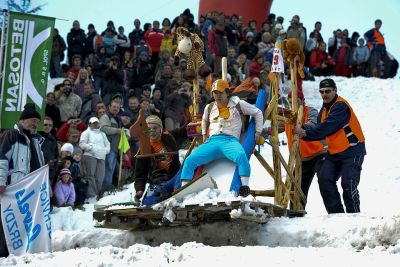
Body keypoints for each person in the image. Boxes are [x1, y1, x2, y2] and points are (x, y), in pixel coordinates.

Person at [293, 78, 366, 214]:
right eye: (321, 92)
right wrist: (303, 128)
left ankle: (355, 218)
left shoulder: (340, 106)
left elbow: (326, 128)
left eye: (327, 91)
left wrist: (304, 133)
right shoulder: (325, 108)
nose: (324, 94)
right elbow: (319, 127)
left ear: (335, 90)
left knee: (348, 184)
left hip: (352, 150)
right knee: (325, 179)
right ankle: (337, 216)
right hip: (334, 153)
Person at [179, 79, 263, 196]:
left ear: (227, 93)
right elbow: (204, 120)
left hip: (230, 140)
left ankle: (245, 186)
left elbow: (258, 112)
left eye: (220, 92)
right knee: (189, 160)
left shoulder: (238, 104)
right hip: (213, 141)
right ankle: (183, 189)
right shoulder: (209, 107)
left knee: (241, 155)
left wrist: (258, 131)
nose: (217, 95)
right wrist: (204, 134)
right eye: (215, 92)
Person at [0, 104, 46, 257]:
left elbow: (41, 168)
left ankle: (21, 252)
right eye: (32, 120)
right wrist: (0, 182)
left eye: (37, 121)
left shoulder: (37, 142)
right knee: (7, 222)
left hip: (30, 192)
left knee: (23, 223)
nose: (35, 123)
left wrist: (47, 189)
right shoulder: (12, 135)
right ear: (22, 121)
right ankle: (3, 254)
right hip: (12, 189)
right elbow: (2, 159)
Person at [284, 91, 326, 208]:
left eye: (296, 101)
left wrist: (300, 126)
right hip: (301, 158)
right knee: (296, 189)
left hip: (318, 154)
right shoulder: (288, 115)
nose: (293, 104)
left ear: (303, 100)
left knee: (325, 182)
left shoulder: (311, 111)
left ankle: (335, 214)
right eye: (290, 102)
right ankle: (295, 214)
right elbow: (278, 127)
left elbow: (313, 124)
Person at [134, 115, 187, 203]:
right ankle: (165, 195)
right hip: (158, 182)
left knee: (187, 165)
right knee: (147, 203)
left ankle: (174, 193)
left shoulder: (169, 136)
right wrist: (139, 190)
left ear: (161, 129)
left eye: (155, 128)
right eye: (149, 128)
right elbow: (140, 174)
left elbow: (184, 130)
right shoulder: (143, 149)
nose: (152, 131)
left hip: (175, 176)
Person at [79, 117, 111, 198]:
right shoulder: (86, 132)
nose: (96, 124)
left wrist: (105, 151)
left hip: (101, 157)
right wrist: (90, 147)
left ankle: (98, 193)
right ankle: (91, 195)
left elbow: (108, 144)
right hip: (90, 156)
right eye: (94, 123)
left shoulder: (102, 134)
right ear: (90, 124)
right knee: (90, 176)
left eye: (97, 122)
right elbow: (82, 144)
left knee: (100, 177)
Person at [100, 100, 122, 189]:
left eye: (117, 107)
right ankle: (105, 188)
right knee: (108, 168)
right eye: (114, 107)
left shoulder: (118, 119)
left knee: (111, 170)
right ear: (109, 107)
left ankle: (107, 187)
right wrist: (117, 130)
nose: (116, 109)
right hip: (108, 147)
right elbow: (103, 128)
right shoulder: (105, 117)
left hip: (115, 148)